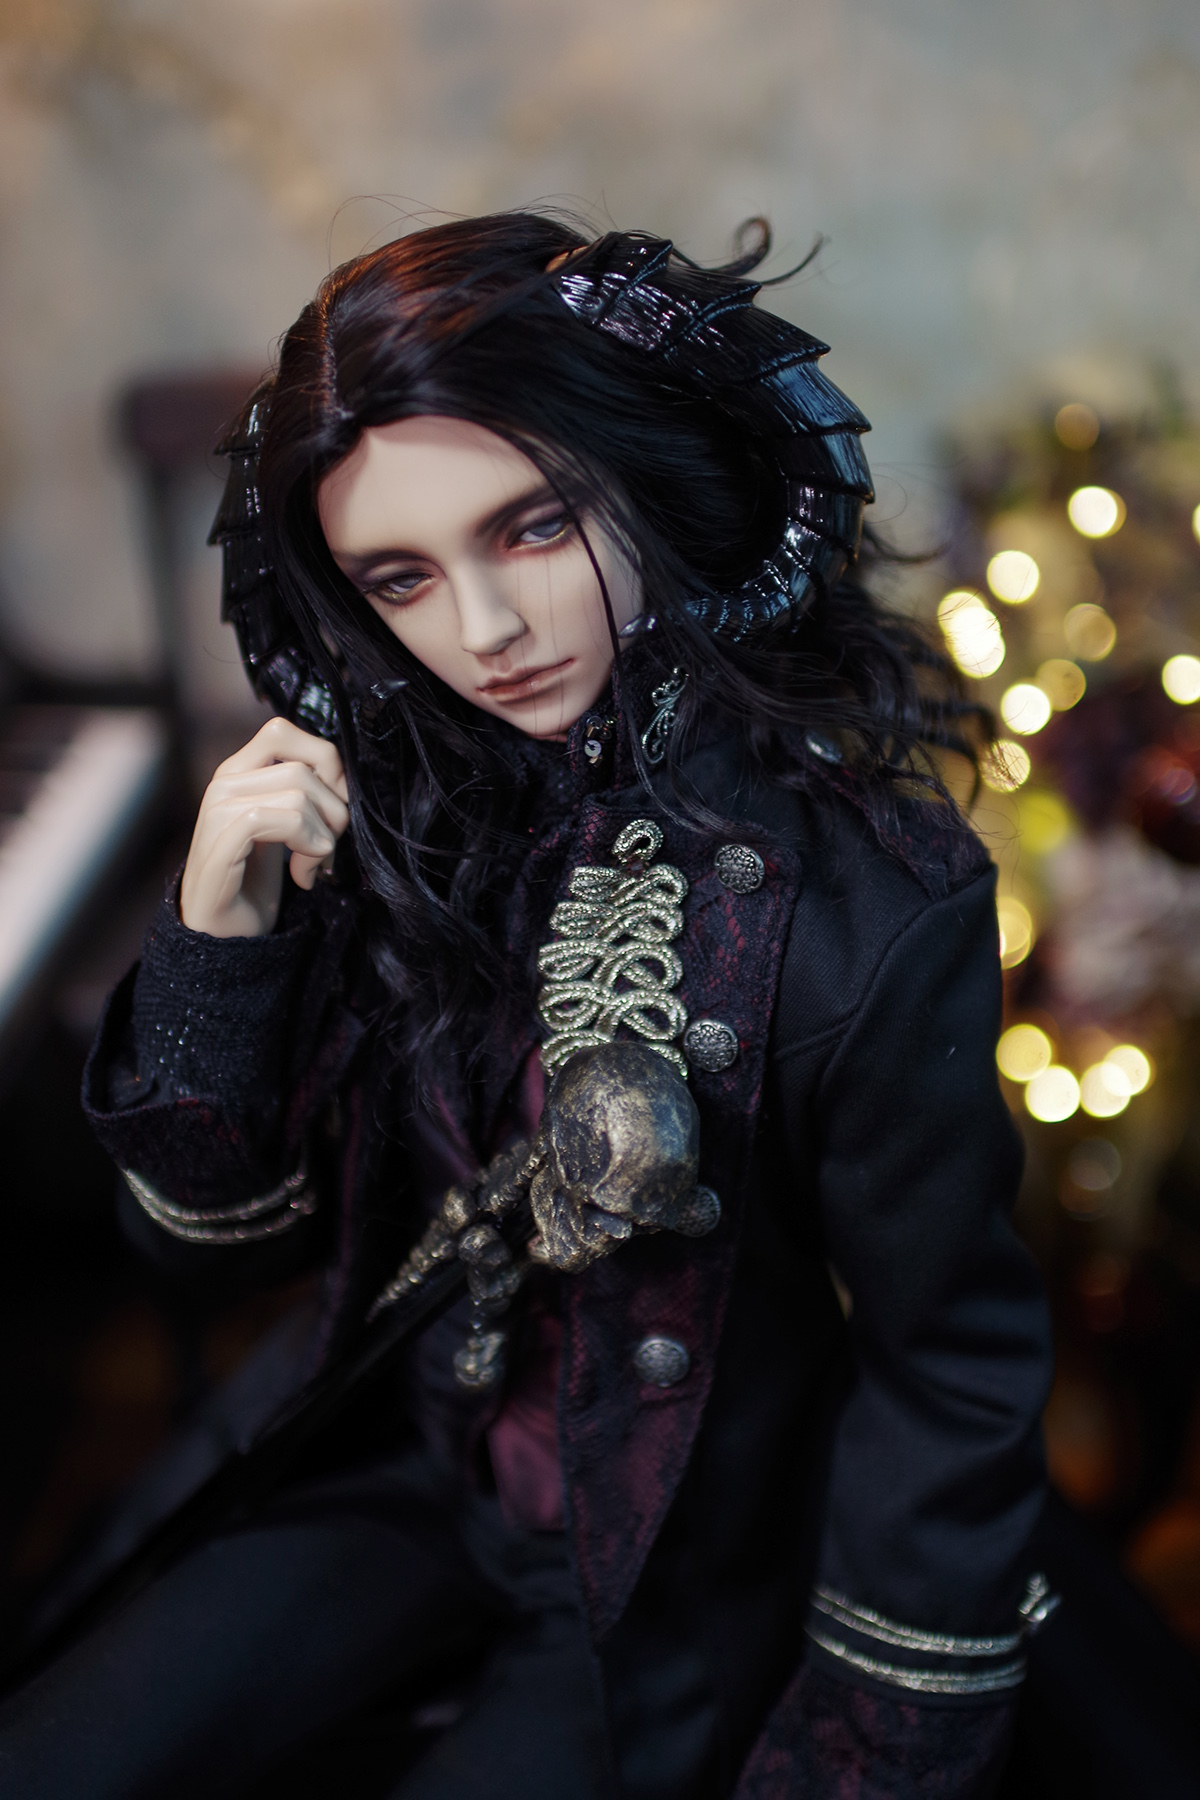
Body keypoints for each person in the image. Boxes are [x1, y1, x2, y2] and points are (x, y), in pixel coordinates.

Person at [0, 213, 1053, 1798]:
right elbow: (210, 1255)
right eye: (402, 578)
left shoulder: (871, 908)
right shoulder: (386, 811)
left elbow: (946, 1372)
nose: (482, 635)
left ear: (647, 477)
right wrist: (218, 938)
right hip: (398, 1454)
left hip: (659, 1555)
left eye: (534, 528)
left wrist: (853, 1758)